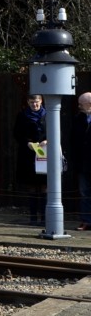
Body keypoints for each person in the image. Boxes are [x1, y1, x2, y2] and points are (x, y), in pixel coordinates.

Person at [13, 94, 46, 225]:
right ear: (28, 102)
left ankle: (44, 217)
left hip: (44, 153)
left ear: (41, 101)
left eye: (37, 102)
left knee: (44, 186)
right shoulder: (22, 115)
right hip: (28, 154)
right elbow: (17, 134)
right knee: (31, 186)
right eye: (32, 102)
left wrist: (47, 140)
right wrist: (28, 143)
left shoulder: (48, 114)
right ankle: (33, 217)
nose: (34, 105)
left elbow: (56, 131)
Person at [64, 92, 91, 231]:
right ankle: (87, 221)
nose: (79, 106)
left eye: (82, 104)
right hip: (83, 164)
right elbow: (73, 139)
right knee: (84, 192)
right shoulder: (78, 118)